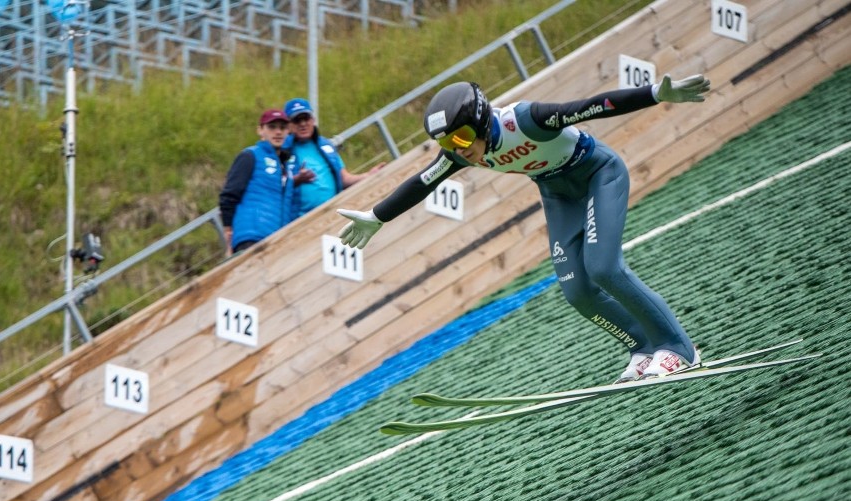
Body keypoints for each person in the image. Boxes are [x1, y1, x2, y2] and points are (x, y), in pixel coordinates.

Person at [336, 75, 711, 381]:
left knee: (604, 269)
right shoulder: (458, 153)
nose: (459, 149)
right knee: (578, 292)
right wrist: (377, 216)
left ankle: (679, 348)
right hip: (557, 193)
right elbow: (422, 181)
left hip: (598, 174)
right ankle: (643, 347)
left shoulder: (526, 120)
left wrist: (654, 94)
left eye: (463, 137)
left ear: (482, 122)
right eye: (448, 142)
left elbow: (593, 105)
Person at [281, 98, 384, 223]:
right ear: (288, 125)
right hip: (299, 220)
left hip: (333, 215)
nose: (303, 123)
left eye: (306, 118)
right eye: (297, 120)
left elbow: (344, 179)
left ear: (313, 120)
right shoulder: (282, 151)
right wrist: (297, 179)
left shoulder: (325, 145)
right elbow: (275, 186)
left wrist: (368, 175)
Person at [219, 109, 293, 255]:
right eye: (272, 127)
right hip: (251, 236)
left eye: (282, 128)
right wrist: (228, 231)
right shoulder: (250, 155)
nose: (278, 132)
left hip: (276, 240)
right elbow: (229, 195)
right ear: (260, 130)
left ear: (288, 132)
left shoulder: (285, 168)